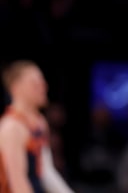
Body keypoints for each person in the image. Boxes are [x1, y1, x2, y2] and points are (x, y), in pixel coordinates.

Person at [0, 60, 74, 193]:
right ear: (16, 87)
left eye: (42, 81)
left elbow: (46, 171)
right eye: (35, 83)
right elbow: (17, 183)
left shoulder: (40, 121)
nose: (44, 86)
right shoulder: (11, 126)